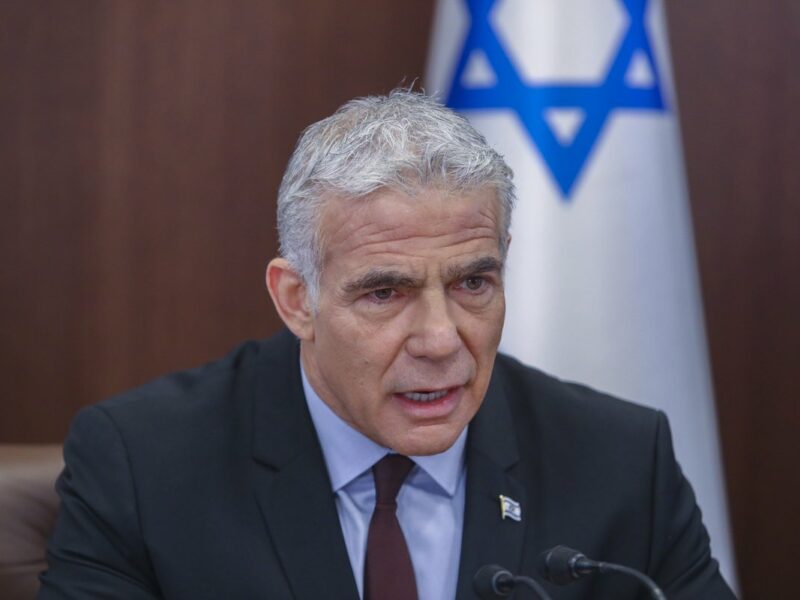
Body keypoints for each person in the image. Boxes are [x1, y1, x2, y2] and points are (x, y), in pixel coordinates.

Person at [39, 90, 736, 599]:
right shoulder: (143, 465)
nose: (440, 340)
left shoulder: (618, 461)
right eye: (384, 293)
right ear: (296, 299)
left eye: (472, 283)